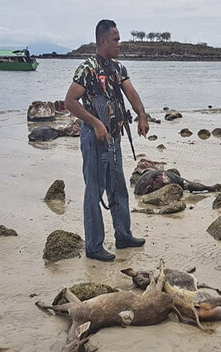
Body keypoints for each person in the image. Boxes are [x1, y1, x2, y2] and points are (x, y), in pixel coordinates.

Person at [65, 19, 149, 262]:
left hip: (114, 137)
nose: (119, 44)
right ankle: (93, 246)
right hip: (94, 138)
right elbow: (70, 102)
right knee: (95, 189)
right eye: (115, 39)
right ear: (103, 41)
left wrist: (141, 116)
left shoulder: (118, 68)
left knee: (118, 186)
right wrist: (96, 123)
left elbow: (131, 93)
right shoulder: (87, 69)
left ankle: (123, 235)